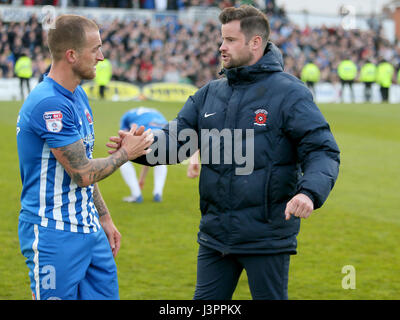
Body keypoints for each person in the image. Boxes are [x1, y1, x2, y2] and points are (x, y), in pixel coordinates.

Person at [108, 5, 340, 300]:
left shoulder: (289, 93)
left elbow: (322, 150)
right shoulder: (210, 93)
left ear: (255, 43)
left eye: (230, 40)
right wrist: (137, 149)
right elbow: (176, 140)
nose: (221, 46)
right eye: (222, 39)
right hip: (215, 236)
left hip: (266, 237)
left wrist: (309, 192)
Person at [16, 14, 153, 300]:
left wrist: (104, 217)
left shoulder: (77, 96)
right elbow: (83, 173)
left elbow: (84, 162)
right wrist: (127, 153)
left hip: (89, 228)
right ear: (71, 55)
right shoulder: (49, 103)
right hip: (54, 231)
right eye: (96, 49)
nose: (102, 57)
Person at [119, 107, 168, 203]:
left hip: (146, 134)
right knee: (160, 160)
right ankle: (158, 193)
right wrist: (142, 178)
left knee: (122, 158)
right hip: (164, 136)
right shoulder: (156, 111)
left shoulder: (126, 116)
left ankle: (136, 194)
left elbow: (124, 138)